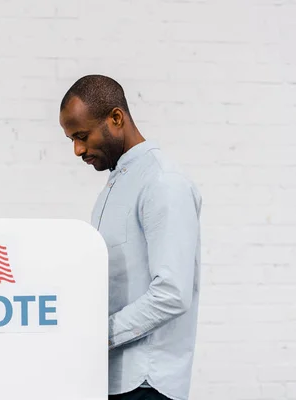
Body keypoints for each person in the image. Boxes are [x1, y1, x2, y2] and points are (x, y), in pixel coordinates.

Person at [58, 75, 202, 400]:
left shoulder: (163, 182)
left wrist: (97, 335)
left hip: (146, 383)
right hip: (112, 377)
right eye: (71, 139)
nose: (77, 149)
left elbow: (172, 293)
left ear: (116, 118)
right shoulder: (118, 181)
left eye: (82, 136)